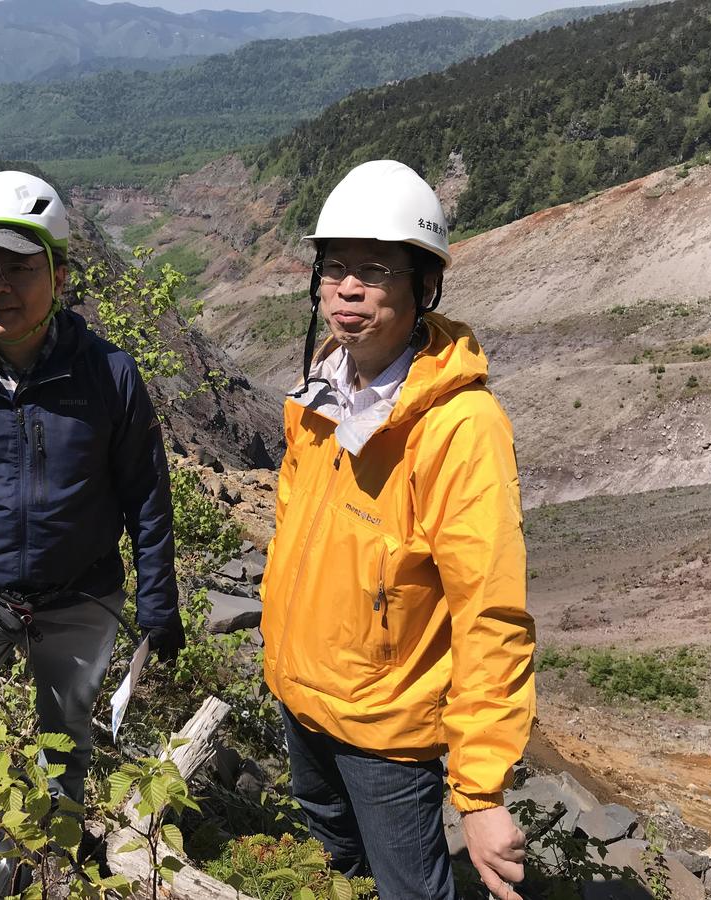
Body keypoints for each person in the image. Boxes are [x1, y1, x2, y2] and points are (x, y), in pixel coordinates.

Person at [260, 160, 536, 900]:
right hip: (301, 698)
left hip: (385, 731)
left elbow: (491, 612)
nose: (347, 288)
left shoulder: (461, 427)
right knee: (337, 868)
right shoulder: (321, 384)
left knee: (410, 889)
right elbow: (296, 529)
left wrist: (478, 795)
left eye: (375, 271)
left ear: (423, 288)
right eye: (336, 268)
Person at [0, 170, 184, 805]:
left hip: (82, 595)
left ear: (58, 274)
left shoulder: (108, 374)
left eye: (20, 267)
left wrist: (158, 602)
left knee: (66, 739)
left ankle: (61, 847)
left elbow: (146, 496)